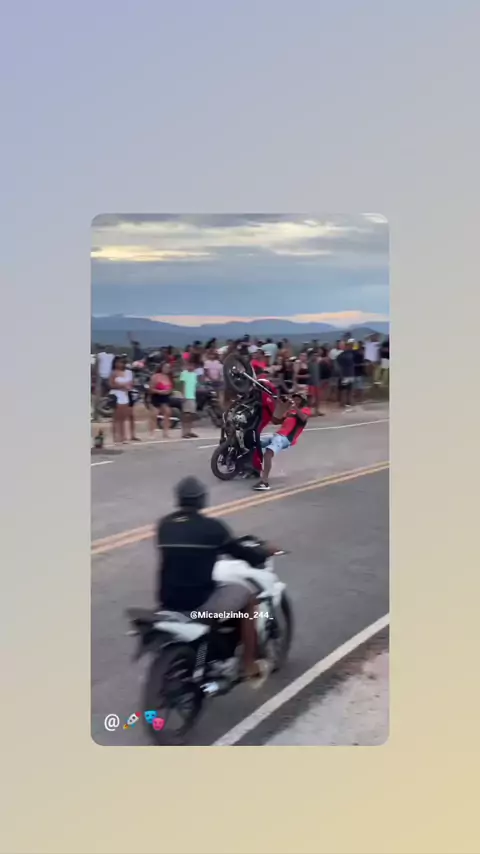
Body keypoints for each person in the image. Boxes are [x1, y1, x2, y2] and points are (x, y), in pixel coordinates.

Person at [157, 477, 272, 683]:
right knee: (248, 598)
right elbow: (239, 552)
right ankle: (249, 665)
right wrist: (260, 555)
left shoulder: (164, 525)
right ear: (202, 500)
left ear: (179, 499)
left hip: (168, 601)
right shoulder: (212, 528)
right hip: (198, 603)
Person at [253, 392, 311, 492]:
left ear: (303, 402)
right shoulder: (290, 412)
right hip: (276, 435)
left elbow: (303, 418)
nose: (295, 401)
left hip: (285, 438)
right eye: (294, 399)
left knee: (268, 453)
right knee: (254, 441)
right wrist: (280, 406)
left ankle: (264, 482)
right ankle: (252, 468)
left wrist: (294, 406)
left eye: (298, 399)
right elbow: (275, 421)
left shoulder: (305, 411)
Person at [109, 355, 133, 443]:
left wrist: (128, 387)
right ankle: (116, 436)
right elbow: (111, 384)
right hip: (116, 394)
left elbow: (131, 384)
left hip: (125, 394)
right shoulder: (113, 373)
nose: (120, 364)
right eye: (118, 362)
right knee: (116, 417)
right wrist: (121, 386)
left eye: (122, 362)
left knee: (123, 417)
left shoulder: (128, 372)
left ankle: (123, 436)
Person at [148, 361, 174, 439]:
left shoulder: (169, 377)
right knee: (154, 414)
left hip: (165, 397)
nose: (167, 369)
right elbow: (151, 389)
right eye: (165, 367)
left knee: (168, 412)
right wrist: (160, 391)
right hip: (156, 396)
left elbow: (171, 388)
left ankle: (166, 432)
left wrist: (169, 391)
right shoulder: (155, 376)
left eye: (168, 368)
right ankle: (152, 433)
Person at [180, 359, 199, 439]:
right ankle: (184, 432)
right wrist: (183, 395)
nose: (191, 367)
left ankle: (189, 431)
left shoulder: (194, 374)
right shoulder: (184, 373)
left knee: (191, 415)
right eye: (189, 365)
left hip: (192, 396)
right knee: (186, 415)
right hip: (187, 396)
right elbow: (182, 385)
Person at [337, 338, 356, 410]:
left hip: (351, 374)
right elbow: (339, 366)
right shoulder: (341, 355)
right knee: (344, 389)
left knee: (350, 389)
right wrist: (341, 375)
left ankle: (349, 401)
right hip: (345, 374)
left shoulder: (352, 354)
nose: (350, 347)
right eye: (349, 345)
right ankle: (343, 402)